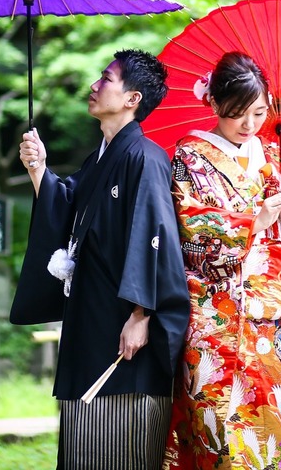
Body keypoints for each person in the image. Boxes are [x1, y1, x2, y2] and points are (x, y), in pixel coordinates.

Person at [12, 49, 190, 470]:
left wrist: (142, 314)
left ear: (132, 98)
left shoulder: (145, 157)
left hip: (123, 321)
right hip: (90, 314)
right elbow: (68, 203)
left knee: (121, 443)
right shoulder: (102, 157)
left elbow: (154, 236)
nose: (95, 86)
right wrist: (39, 169)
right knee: (83, 446)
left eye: (106, 79)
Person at [163, 51, 281, 470]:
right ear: (213, 104)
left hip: (278, 311)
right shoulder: (190, 157)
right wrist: (253, 220)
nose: (248, 125)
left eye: (258, 113)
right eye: (235, 114)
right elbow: (190, 227)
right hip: (219, 314)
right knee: (220, 422)